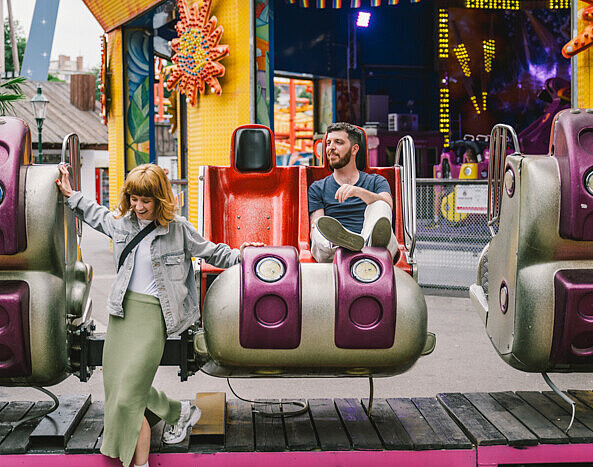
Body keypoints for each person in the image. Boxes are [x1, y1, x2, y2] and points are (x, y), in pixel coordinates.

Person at [56, 163, 261, 467]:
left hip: (154, 317)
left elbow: (212, 252)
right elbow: (94, 213)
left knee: (128, 398)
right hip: (121, 313)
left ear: (160, 199)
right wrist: (70, 193)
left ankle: (141, 461)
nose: (139, 207)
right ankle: (179, 413)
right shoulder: (122, 224)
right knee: (119, 391)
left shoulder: (177, 228)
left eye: (146, 201)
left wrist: (244, 255)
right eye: (135, 199)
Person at [308, 122, 398, 262]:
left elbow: (388, 205)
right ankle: (344, 244)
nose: (331, 148)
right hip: (334, 252)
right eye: (328, 143)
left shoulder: (376, 181)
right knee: (318, 226)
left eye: (338, 142)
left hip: (374, 249)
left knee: (381, 205)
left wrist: (359, 192)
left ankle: (368, 243)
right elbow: (316, 225)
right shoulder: (318, 187)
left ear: (355, 149)